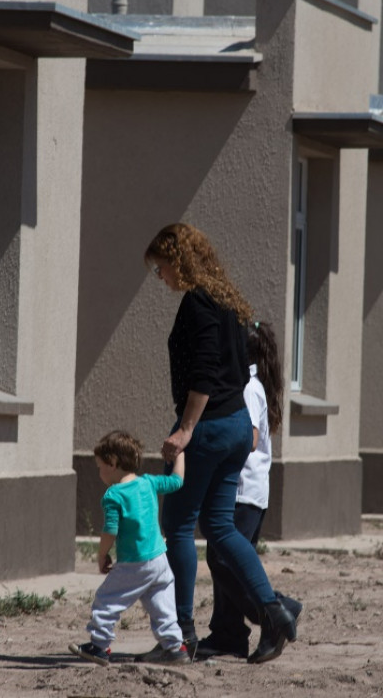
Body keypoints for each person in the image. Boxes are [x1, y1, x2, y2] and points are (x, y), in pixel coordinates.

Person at [143, 223, 297, 665]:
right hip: (235, 427)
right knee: (220, 527)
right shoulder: (227, 299)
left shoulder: (198, 302)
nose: (162, 278)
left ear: (180, 260)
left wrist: (185, 429)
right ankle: (275, 612)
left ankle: (180, 637)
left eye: (162, 268)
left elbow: (206, 371)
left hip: (208, 427)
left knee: (177, 526)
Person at [199, 321, 302, 659]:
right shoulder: (253, 384)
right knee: (226, 559)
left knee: (223, 559)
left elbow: (250, 437)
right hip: (251, 491)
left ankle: (275, 611)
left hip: (241, 489)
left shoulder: (244, 387)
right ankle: (228, 633)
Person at [69, 430, 190, 666]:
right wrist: (180, 453)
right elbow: (177, 481)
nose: (99, 472)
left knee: (106, 600)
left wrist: (102, 554)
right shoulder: (148, 483)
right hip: (159, 560)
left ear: (113, 463)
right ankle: (175, 648)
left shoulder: (113, 495)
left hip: (134, 562)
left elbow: (110, 530)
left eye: (100, 466)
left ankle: (99, 646)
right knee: (162, 605)